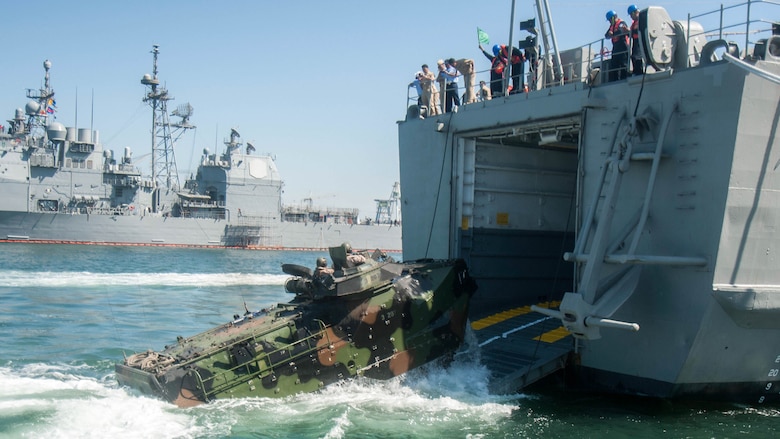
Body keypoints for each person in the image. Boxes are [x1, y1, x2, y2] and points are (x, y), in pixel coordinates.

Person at [605, 10, 630, 82]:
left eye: (610, 20)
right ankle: (614, 79)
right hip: (616, 47)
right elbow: (606, 35)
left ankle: (623, 79)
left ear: (613, 18)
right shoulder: (611, 26)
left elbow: (620, 31)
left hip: (623, 46)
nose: (609, 22)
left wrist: (612, 34)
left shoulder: (621, 23)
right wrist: (609, 34)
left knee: (623, 64)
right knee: (614, 64)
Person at [628, 5, 644, 76]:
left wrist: (630, 31)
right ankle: (636, 71)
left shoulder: (641, 19)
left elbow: (639, 30)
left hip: (640, 40)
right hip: (635, 40)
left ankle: (639, 72)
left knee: (637, 56)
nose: (631, 17)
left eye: (631, 15)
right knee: (634, 56)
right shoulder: (634, 23)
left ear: (635, 12)